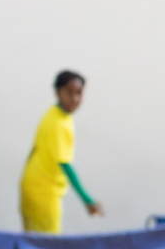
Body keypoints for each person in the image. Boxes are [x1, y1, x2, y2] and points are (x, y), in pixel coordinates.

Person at [20, 70, 103, 233]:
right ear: (57, 92)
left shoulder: (57, 114)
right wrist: (87, 199)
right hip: (43, 193)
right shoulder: (57, 123)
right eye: (69, 93)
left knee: (34, 241)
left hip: (35, 187)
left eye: (79, 93)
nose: (75, 99)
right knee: (47, 243)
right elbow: (65, 165)